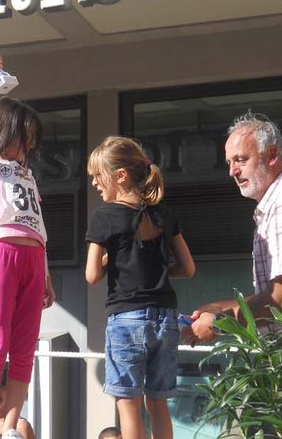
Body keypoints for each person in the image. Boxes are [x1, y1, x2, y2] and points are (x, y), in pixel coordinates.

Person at [0, 50, 56, 439]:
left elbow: (37, 224)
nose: (27, 146)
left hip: (34, 257)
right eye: (24, 138)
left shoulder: (28, 175)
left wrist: (48, 273)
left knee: (24, 346)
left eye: (31, 141)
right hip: (0, 252)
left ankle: (10, 422)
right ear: (4, 132)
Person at [85, 136, 195, 439]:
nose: (94, 183)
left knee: (128, 403)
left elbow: (92, 275)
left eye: (97, 176)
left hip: (126, 319)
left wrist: (108, 258)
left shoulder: (103, 217)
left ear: (120, 176)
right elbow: (188, 268)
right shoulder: (163, 213)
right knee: (158, 402)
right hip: (166, 319)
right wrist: (157, 272)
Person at [184, 112, 282, 342]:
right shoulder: (276, 202)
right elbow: (273, 295)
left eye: (241, 159)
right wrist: (219, 307)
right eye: (229, 162)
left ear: (272, 155)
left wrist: (218, 324)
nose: (232, 171)